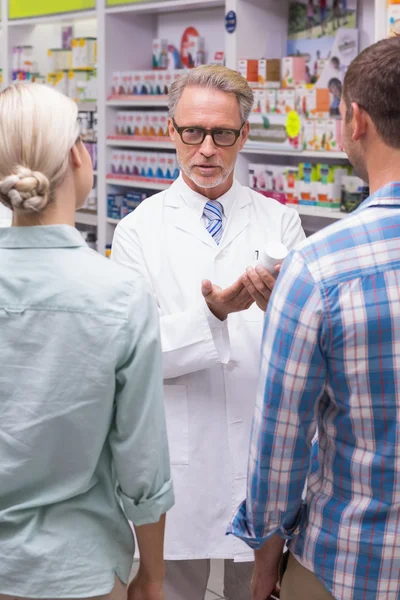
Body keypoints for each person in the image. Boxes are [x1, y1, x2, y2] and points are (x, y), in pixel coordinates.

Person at [111, 64, 305, 600]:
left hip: (258, 453)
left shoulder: (280, 223)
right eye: (192, 132)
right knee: (172, 586)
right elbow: (136, 352)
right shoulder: (137, 231)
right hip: (179, 460)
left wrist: (281, 314)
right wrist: (213, 316)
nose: (206, 149)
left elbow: (301, 350)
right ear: (171, 131)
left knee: (257, 589)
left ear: (243, 135)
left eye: (222, 133)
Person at [228, 36, 400, 600]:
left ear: (356, 120)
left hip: (350, 560)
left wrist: (264, 561)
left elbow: (281, 440)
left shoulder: (321, 266)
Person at [0, 83, 174, 600]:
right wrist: (153, 574)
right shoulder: (118, 293)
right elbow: (142, 462)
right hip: (77, 571)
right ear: (78, 156)